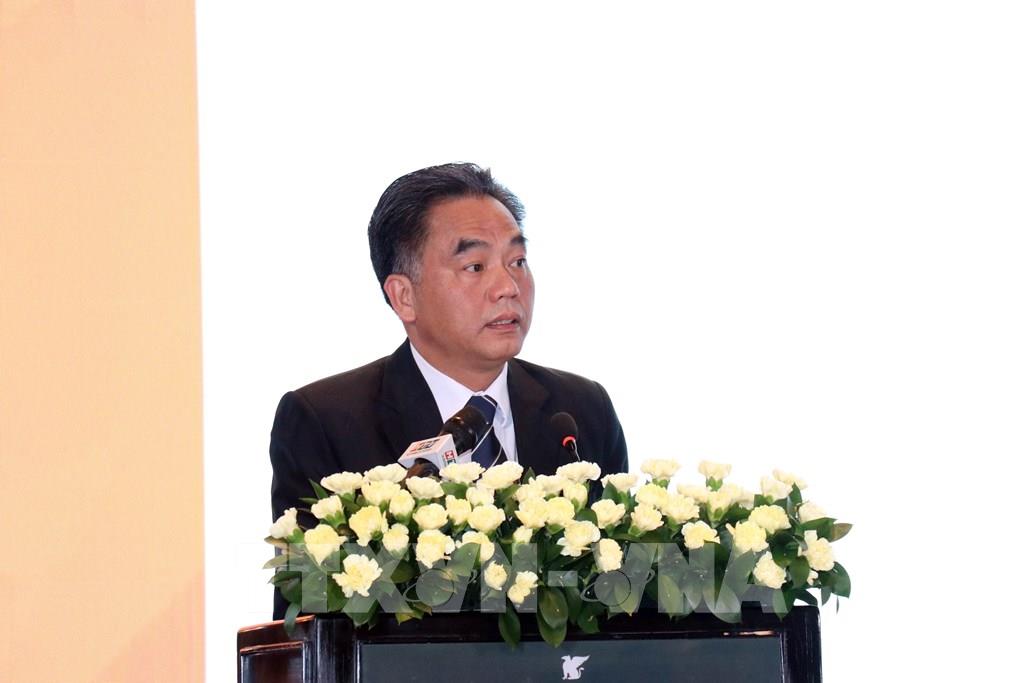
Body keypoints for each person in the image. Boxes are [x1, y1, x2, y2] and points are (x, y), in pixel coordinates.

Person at [269, 163, 627, 617]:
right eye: (475, 266)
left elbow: (623, 598)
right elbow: (309, 615)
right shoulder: (326, 421)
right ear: (404, 296)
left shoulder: (581, 410)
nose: (508, 287)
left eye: (517, 261)